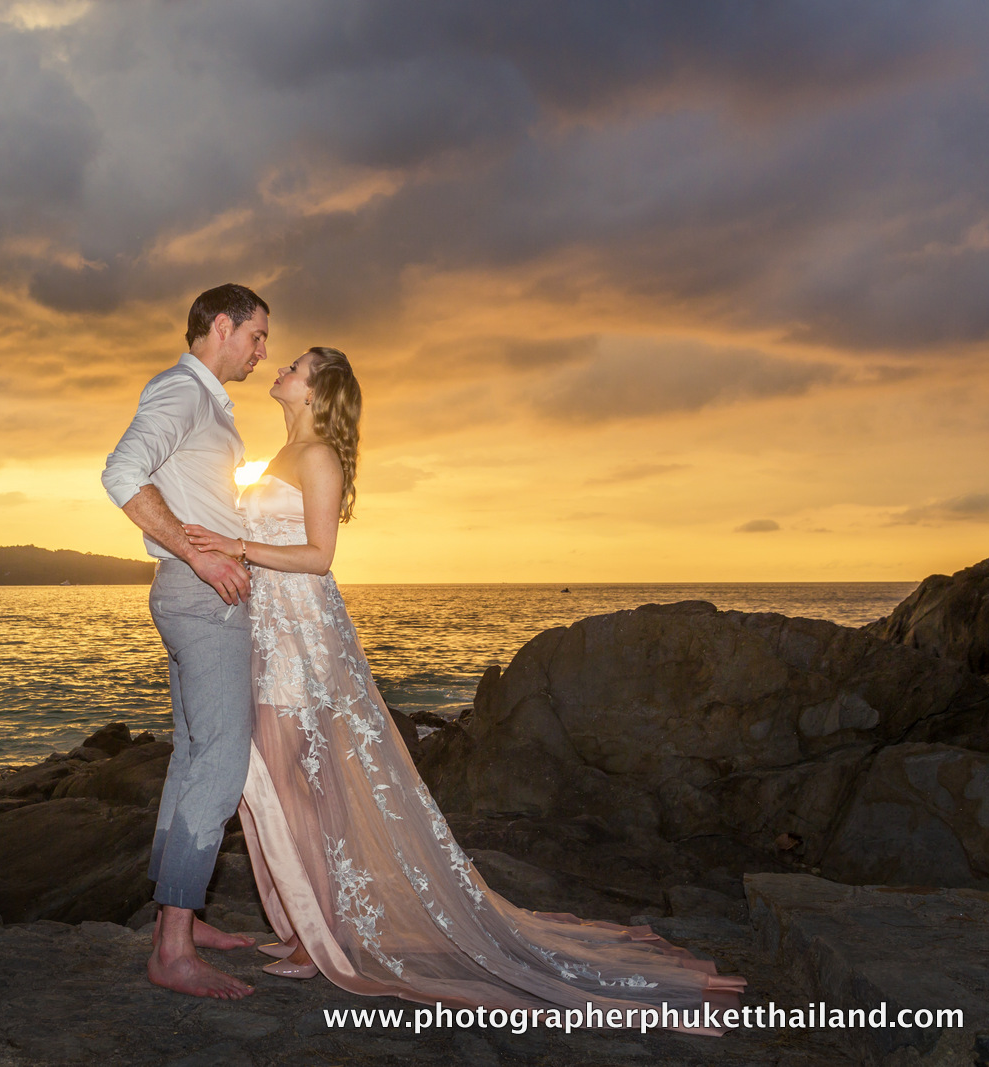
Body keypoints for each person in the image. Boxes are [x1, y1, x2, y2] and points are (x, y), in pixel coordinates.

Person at [181, 347, 747, 1030]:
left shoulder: (319, 456)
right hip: (269, 631)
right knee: (287, 780)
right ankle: (310, 925)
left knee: (292, 782)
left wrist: (239, 548)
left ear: (317, 388)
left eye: (295, 364)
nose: (281, 367)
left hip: (300, 642)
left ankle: (319, 936)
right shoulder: (280, 453)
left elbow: (321, 557)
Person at [101, 283, 271, 1000]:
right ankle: (172, 950)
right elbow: (119, 474)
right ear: (223, 326)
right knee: (223, 760)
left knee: (195, 753)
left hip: (189, 593)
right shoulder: (182, 391)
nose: (263, 351)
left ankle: (182, 918)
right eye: (257, 336)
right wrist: (199, 554)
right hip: (200, 596)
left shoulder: (203, 400)